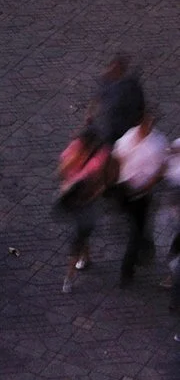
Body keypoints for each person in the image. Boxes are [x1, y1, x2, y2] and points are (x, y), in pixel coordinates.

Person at [113, 110, 168, 285]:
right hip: (125, 189)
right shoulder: (128, 137)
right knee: (136, 229)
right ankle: (141, 248)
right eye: (144, 123)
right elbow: (117, 157)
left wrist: (149, 183)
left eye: (149, 123)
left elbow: (161, 168)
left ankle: (127, 268)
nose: (147, 127)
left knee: (136, 230)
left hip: (142, 194)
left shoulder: (157, 143)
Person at [56, 123, 111, 294]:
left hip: (87, 203)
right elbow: (61, 171)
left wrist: (89, 194)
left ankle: (69, 277)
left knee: (77, 237)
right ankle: (85, 257)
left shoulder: (100, 157)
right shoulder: (77, 149)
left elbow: (102, 183)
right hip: (74, 200)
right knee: (82, 233)